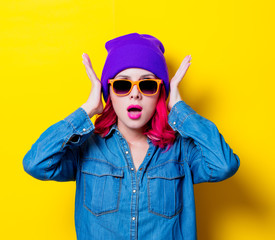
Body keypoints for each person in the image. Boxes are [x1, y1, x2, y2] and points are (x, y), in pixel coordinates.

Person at [22, 32, 240, 240]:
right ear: (109, 94)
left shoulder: (182, 150)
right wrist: (87, 109)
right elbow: (36, 163)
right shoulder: (85, 150)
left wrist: (180, 109)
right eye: (122, 85)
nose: (135, 93)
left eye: (147, 85)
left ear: (159, 95)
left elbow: (223, 165)